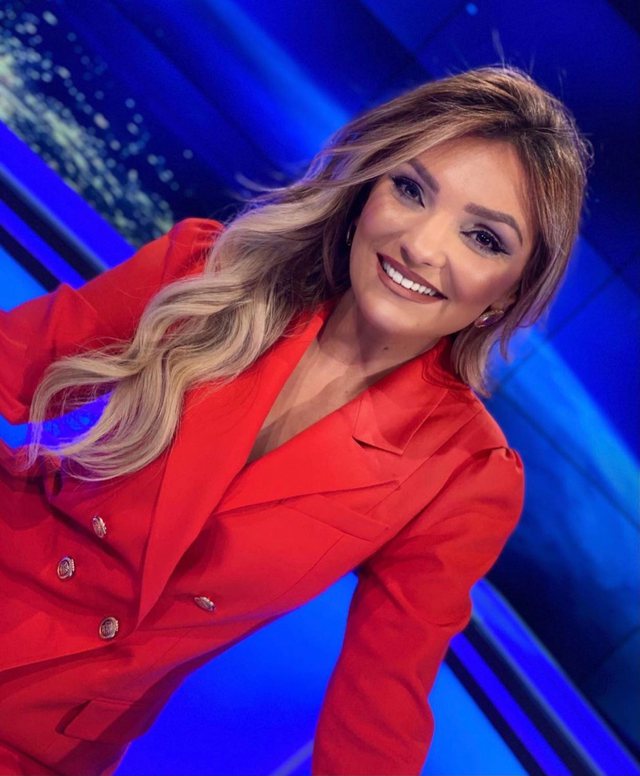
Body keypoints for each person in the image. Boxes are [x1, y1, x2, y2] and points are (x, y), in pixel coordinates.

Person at [0, 65, 589, 776]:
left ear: (509, 295)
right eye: (410, 189)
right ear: (367, 188)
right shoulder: (209, 270)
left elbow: (380, 711)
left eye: (483, 238)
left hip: (41, 744)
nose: (422, 246)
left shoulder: (461, 474)